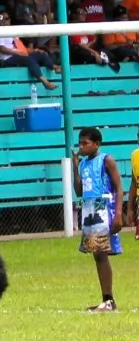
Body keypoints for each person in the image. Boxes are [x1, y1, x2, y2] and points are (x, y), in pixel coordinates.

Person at [74, 126, 121, 312]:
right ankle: (106, 299)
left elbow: (118, 187)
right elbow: (79, 191)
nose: (81, 146)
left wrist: (118, 214)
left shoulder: (106, 160)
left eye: (85, 143)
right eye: (80, 143)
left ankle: (108, 300)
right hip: (89, 207)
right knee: (96, 253)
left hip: (103, 206)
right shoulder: (83, 163)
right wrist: (75, 166)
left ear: (96, 144)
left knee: (101, 253)